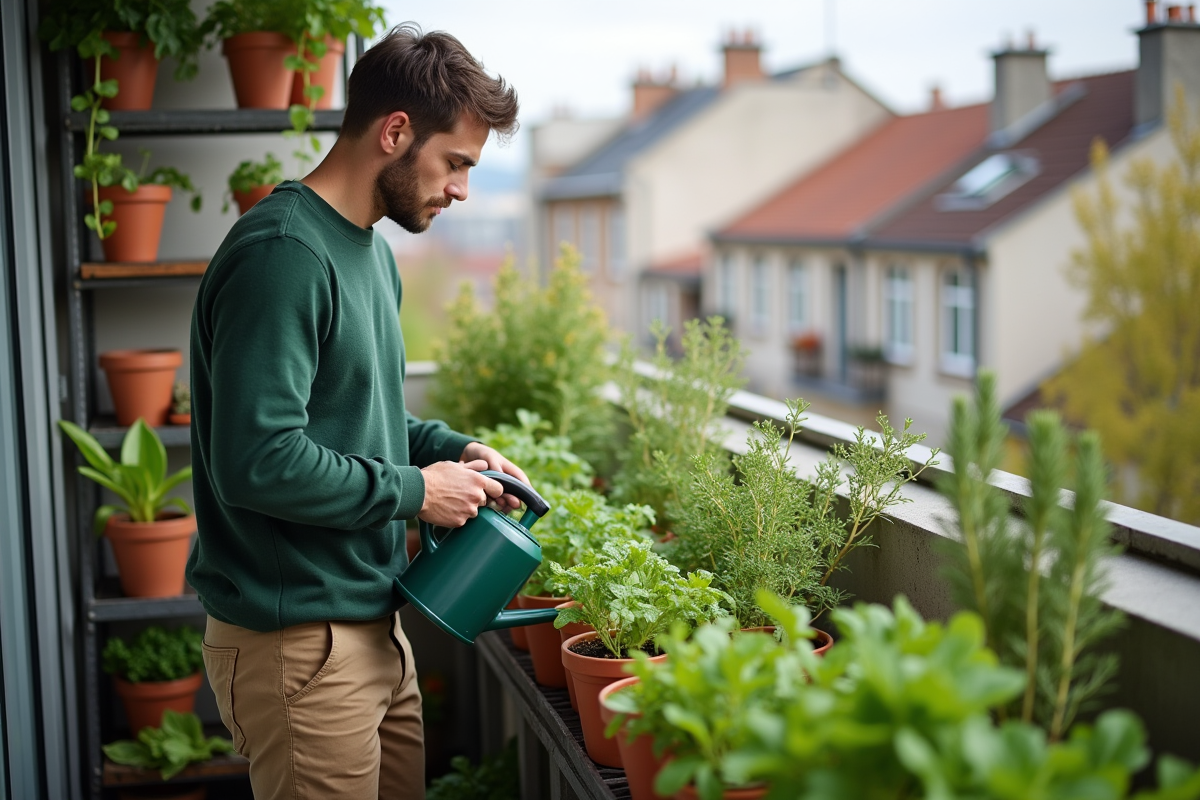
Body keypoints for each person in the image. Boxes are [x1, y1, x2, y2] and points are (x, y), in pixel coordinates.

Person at [186, 24, 522, 800]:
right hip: (297, 647)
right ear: (395, 132)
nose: (462, 190)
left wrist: (454, 449)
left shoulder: (368, 252)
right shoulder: (283, 256)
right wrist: (415, 492)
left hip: (370, 629)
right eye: (456, 163)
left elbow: (357, 421)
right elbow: (259, 461)